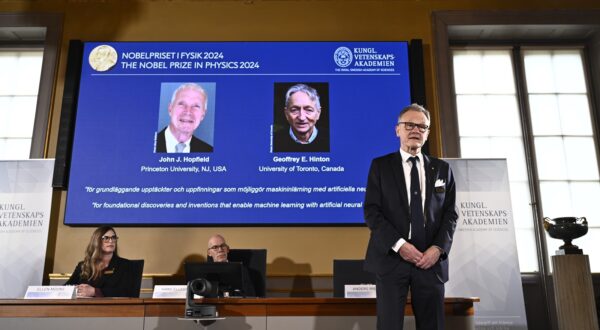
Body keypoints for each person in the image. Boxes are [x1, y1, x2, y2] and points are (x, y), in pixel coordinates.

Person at [363, 104, 458, 330]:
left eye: (422, 126)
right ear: (398, 130)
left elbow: (450, 214)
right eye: (409, 125)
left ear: (427, 133)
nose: (416, 130)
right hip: (392, 260)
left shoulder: (442, 169)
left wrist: (438, 249)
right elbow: (372, 212)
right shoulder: (381, 166)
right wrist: (400, 245)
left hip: (430, 262)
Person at [65, 226, 140, 297]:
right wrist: (76, 289)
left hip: (114, 309)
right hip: (84, 308)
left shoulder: (126, 265)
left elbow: (128, 292)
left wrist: (95, 291)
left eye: (113, 238)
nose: (111, 241)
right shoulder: (83, 265)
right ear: (96, 241)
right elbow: (66, 288)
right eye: (106, 238)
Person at [155, 83, 213, 153]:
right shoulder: (148, 145)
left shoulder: (208, 151)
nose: (188, 112)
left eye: (196, 106)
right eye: (181, 104)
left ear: (203, 115)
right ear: (170, 109)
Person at [273, 84, 329, 152]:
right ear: (286, 113)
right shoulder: (273, 141)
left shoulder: (331, 139)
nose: (301, 117)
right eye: (294, 110)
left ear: (318, 113)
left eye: (308, 110)